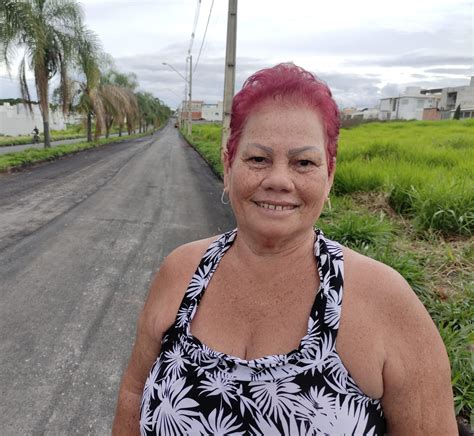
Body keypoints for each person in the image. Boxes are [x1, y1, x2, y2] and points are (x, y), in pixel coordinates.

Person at [112, 63, 457, 435]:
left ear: (329, 176)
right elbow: (133, 393)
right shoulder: (181, 271)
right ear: (228, 166)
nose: (278, 180)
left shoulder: (385, 300)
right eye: (258, 159)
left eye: (303, 162)